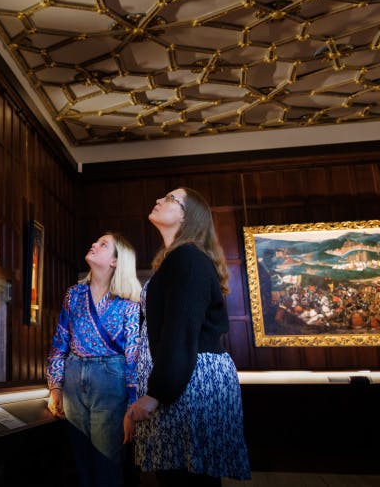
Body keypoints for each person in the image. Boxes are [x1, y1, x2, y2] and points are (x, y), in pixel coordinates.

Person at [123, 188, 250, 486]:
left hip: (189, 382)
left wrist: (157, 393)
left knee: (188, 480)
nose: (157, 200)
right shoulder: (177, 259)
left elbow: (180, 332)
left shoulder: (188, 259)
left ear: (186, 215)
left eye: (169, 199)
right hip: (181, 379)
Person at [46, 232, 143, 487]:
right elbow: (59, 344)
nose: (93, 244)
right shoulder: (74, 294)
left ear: (115, 261)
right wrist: (55, 387)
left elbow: (133, 355)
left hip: (111, 380)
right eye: (95, 242)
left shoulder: (129, 302)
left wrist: (132, 406)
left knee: (106, 464)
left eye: (103, 245)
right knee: (81, 463)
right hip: (73, 379)